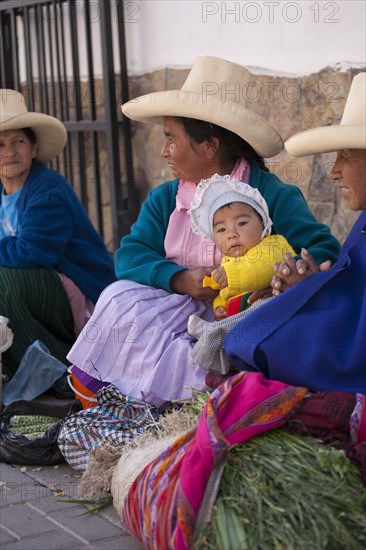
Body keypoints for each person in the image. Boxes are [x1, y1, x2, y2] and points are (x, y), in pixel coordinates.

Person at [67, 56, 340, 407]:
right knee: (118, 297)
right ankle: (144, 395)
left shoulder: (270, 195)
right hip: (175, 307)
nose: (164, 151)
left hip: (240, 312)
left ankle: (207, 399)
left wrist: (287, 274)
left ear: (209, 146)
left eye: (171, 139)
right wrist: (180, 279)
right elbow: (130, 255)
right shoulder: (167, 199)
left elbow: (322, 247)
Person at [224, 72, 366, 394]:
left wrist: (314, 291)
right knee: (245, 335)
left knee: (258, 342)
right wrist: (309, 284)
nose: (334, 171)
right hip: (340, 328)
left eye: (345, 155)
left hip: (352, 353)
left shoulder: (271, 191)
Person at [0, 89, 116, 380]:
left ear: (34, 148)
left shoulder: (48, 190)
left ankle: (53, 368)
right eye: (0, 144)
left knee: (7, 279)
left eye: (18, 142)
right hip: (42, 282)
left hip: (81, 291)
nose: (9, 152)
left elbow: (33, 252)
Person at [187, 173, 295, 338]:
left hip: (272, 308)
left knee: (261, 306)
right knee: (222, 338)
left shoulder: (272, 245)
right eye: (222, 230)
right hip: (241, 317)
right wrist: (219, 307)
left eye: (242, 223)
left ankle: (215, 333)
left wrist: (230, 275)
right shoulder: (227, 262)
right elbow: (224, 292)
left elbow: (263, 268)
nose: (232, 234)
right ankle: (216, 334)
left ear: (263, 224)